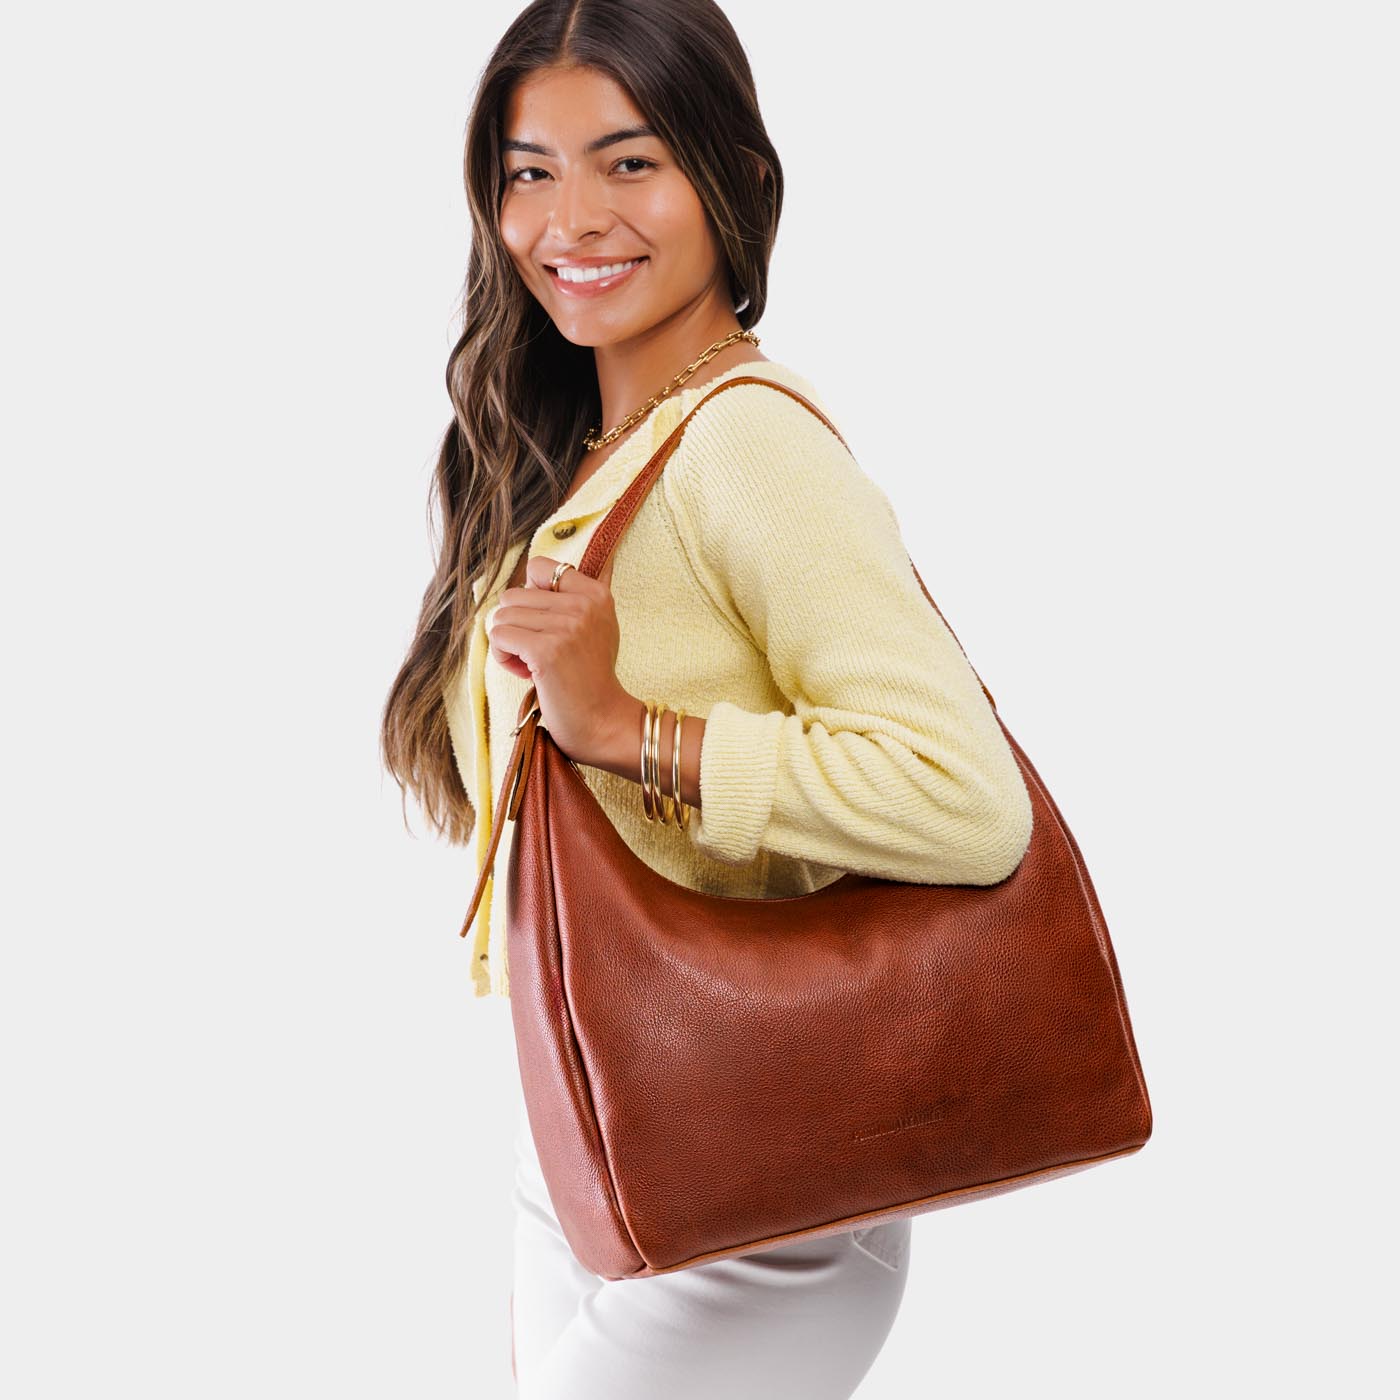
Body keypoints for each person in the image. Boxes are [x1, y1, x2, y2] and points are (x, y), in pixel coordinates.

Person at [381, 2, 1033, 1395]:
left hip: (759, 1181)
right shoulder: (587, 455)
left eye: (630, 162)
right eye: (529, 171)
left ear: (734, 179)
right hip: (591, 1128)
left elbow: (968, 801)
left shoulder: (745, 445)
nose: (572, 218)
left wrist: (632, 732)